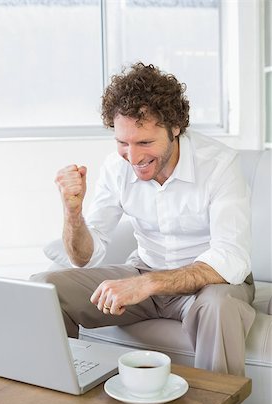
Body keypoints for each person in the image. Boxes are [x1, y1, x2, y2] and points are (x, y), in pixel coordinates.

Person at [32, 62, 255, 378]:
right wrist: (73, 213)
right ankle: (61, 403)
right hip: (144, 270)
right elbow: (84, 257)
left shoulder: (219, 165)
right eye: (123, 142)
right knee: (45, 287)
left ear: (175, 127)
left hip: (210, 284)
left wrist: (149, 283)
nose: (133, 157)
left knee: (219, 308)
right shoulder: (116, 167)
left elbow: (230, 258)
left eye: (145, 143)